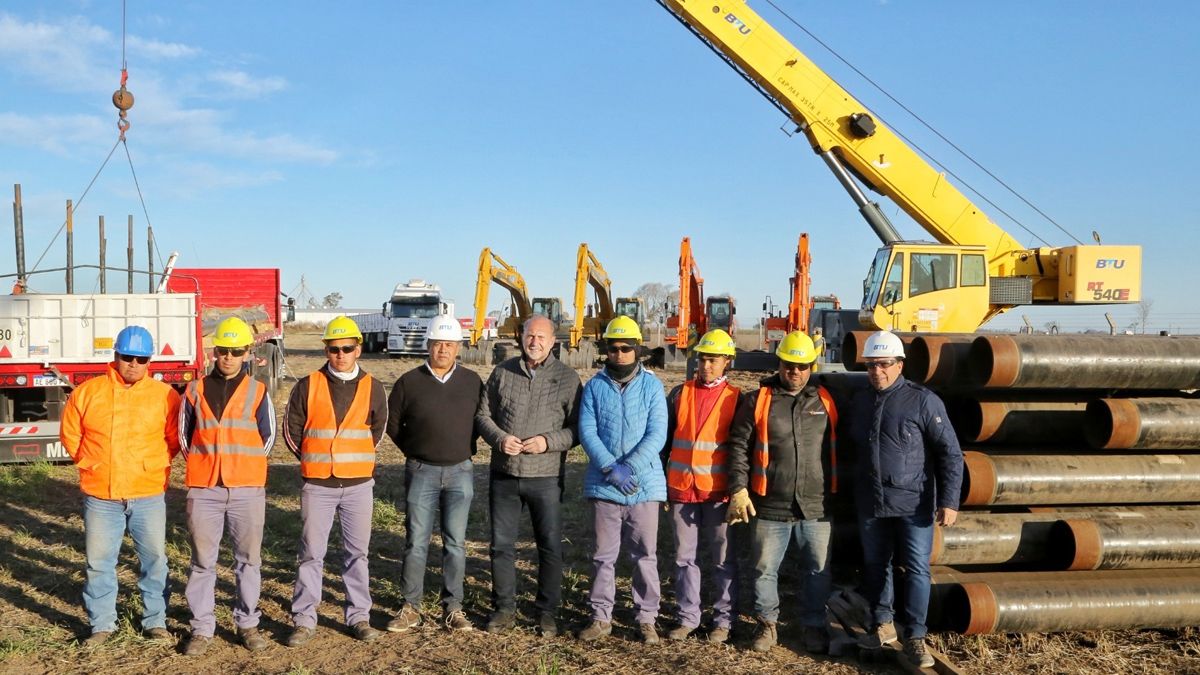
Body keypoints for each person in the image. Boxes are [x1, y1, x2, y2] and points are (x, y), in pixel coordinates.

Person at [60, 325, 182, 647]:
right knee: (99, 562)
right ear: (115, 356)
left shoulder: (165, 396)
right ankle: (102, 625)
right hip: (102, 495)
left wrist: (151, 466)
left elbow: (173, 440)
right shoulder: (88, 392)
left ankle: (155, 620)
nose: (133, 364)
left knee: (155, 559)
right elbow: (71, 434)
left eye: (140, 358)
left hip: (148, 492)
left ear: (149, 361)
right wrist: (92, 463)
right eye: (127, 357)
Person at [850, 330, 962, 669]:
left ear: (899, 365)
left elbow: (950, 454)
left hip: (914, 504)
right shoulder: (860, 399)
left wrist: (950, 500)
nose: (877, 372)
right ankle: (883, 625)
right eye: (871, 365)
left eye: (884, 364)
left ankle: (915, 636)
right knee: (876, 566)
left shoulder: (922, 400)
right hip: (871, 501)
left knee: (916, 569)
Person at [726, 330, 838, 654]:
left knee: (818, 571)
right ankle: (766, 625)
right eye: (789, 364)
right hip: (770, 504)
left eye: (803, 366)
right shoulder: (757, 401)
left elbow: (839, 450)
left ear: (811, 366)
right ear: (780, 363)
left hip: (815, 506)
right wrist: (738, 489)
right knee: (764, 569)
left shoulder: (826, 402)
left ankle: (814, 625)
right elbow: (738, 448)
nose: (795, 372)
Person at [282, 316, 388, 646]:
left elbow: (377, 431)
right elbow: (292, 430)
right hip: (318, 484)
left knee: (357, 554)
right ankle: (304, 618)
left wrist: (350, 458)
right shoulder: (307, 385)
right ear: (326, 350)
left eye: (347, 348)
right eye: (333, 349)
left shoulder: (374, 387)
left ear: (359, 349)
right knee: (312, 553)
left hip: (358, 485)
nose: (340, 354)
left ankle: (359, 616)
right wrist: (316, 458)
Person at [476, 314, 581, 637]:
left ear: (553, 342)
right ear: (521, 337)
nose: (534, 342)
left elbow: (577, 429)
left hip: (546, 477)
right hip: (504, 475)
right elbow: (483, 416)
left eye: (541, 337)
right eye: (529, 336)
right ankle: (504, 608)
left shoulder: (568, 379)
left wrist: (548, 442)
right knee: (501, 546)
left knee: (549, 546)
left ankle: (546, 612)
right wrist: (499, 438)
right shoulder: (502, 372)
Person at [178, 317, 276, 655]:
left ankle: (247, 624)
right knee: (203, 561)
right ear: (213, 352)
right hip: (205, 488)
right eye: (223, 350)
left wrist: (242, 468)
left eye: (236, 351)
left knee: (248, 560)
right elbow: (183, 436)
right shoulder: (194, 390)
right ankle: (202, 628)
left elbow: (268, 437)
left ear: (248, 353)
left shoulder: (258, 391)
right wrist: (206, 466)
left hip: (247, 488)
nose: (229, 356)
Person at [385, 315, 484, 634]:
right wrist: (416, 451)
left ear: (459, 348)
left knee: (455, 542)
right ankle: (410, 607)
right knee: (416, 541)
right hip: (421, 471)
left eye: (449, 344)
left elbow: (481, 422)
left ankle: (453, 608)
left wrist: (459, 447)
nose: (443, 349)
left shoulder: (472, 382)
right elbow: (392, 424)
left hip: (460, 471)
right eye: (438, 343)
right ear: (428, 345)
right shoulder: (408, 382)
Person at [576, 317, 668, 644]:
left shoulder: (653, 386)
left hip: (645, 484)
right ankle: (601, 617)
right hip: (605, 485)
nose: (619, 353)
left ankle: (646, 618)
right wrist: (609, 468)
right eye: (613, 348)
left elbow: (657, 433)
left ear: (637, 350)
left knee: (645, 555)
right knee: (603, 555)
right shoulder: (594, 386)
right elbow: (587, 431)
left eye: (626, 348)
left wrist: (630, 467)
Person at [661, 329, 741, 644]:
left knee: (723, 560)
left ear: (726, 362)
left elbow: (739, 450)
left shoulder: (736, 399)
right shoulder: (680, 393)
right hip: (682, 490)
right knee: (684, 558)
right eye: (703, 358)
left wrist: (738, 490)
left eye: (713, 359)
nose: (706, 365)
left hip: (719, 494)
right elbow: (664, 443)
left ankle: (724, 621)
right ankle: (687, 618)